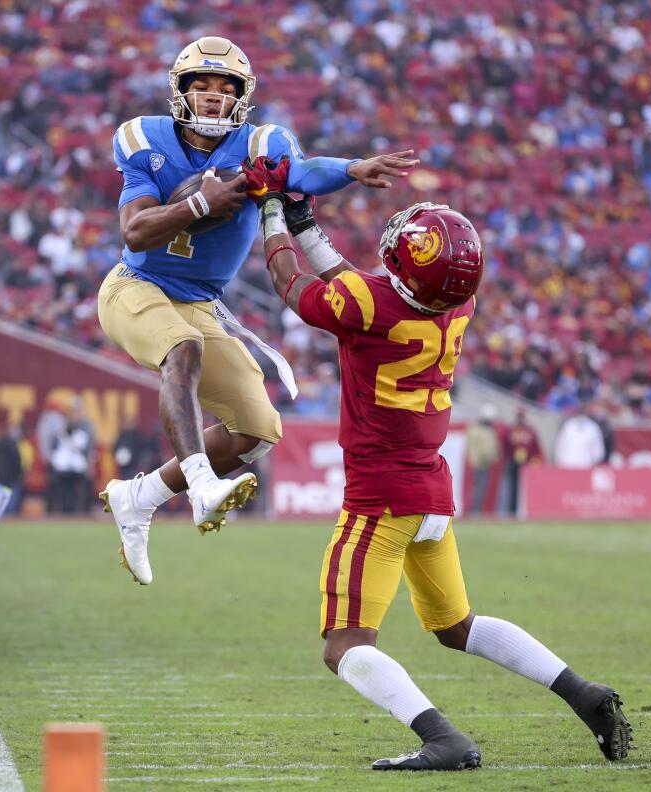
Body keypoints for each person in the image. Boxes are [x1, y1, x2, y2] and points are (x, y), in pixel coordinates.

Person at [246, 156, 631, 770]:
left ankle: (442, 736)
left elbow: (295, 285)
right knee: (457, 625)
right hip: (430, 490)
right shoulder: (455, 304)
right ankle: (583, 694)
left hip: (380, 498)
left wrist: (269, 211)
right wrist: (304, 220)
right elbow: (358, 288)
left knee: (343, 647)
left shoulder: (370, 307)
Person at [98, 35, 418, 585]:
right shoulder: (143, 139)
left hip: (200, 302)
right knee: (183, 347)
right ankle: (201, 485)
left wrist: (352, 167)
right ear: (180, 92)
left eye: (226, 89)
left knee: (258, 429)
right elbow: (134, 230)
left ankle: (140, 496)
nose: (214, 98)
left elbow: (305, 170)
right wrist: (200, 202)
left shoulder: (259, 144)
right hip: (136, 285)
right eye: (202, 87)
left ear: (242, 97)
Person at [501, 409, 542, 515]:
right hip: (513, 463)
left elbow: (536, 447)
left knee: (525, 488)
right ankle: (512, 512)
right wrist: (506, 459)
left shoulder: (530, 431)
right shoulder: (510, 430)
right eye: (518, 416)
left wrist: (536, 459)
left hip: (527, 464)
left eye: (521, 416)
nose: (520, 419)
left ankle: (526, 511)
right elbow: (504, 446)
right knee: (512, 488)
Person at [464, 405, 500, 515]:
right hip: (481, 462)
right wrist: (491, 456)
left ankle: (476, 510)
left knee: (479, 488)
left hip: (479, 461)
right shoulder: (482, 431)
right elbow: (487, 449)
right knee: (479, 488)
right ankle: (475, 511)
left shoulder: (475, 429)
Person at [554, 403, 606, 469]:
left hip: (585, 468)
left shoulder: (593, 427)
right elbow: (559, 448)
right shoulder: (568, 426)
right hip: (568, 467)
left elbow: (598, 454)